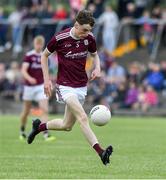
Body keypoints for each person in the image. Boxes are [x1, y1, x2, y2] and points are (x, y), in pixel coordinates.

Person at [27, 10, 113, 165]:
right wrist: (47, 80)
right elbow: (44, 55)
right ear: (76, 25)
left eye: (89, 31)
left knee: (67, 126)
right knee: (83, 117)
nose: (87, 34)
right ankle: (101, 152)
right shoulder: (60, 38)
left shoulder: (89, 38)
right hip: (65, 86)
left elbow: (95, 55)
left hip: (81, 85)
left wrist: (98, 68)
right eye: (84, 30)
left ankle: (38, 127)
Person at [20, 35, 55, 142]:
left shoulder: (44, 56)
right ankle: (22, 130)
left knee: (44, 109)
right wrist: (29, 78)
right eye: (37, 44)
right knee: (26, 111)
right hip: (29, 87)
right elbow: (23, 70)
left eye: (41, 44)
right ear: (34, 44)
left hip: (40, 86)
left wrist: (48, 81)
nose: (39, 46)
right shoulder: (29, 56)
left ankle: (46, 134)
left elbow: (47, 72)